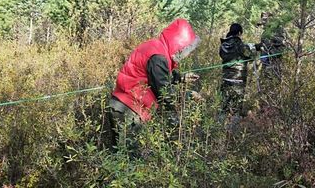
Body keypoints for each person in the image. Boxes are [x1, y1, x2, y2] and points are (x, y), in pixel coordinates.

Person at [107, 18, 200, 154]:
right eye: (185, 49)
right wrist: (189, 96)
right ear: (179, 44)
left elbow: (157, 75)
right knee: (131, 160)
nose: (186, 54)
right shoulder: (158, 57)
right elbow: (165, 93)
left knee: (118, 155)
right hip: (130, 110)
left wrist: (181, 78)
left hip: (119, 104)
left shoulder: (155, 47)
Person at [219, 23, 261, 127]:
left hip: (226, 79)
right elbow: (250, 56)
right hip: (238, 81)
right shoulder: (241, 46)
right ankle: (233, 132)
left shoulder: (223, 45)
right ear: (239, 33)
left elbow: (223, 55)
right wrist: (255, 48)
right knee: (236, 107)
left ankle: (220, 129)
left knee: (224, 105)